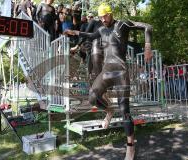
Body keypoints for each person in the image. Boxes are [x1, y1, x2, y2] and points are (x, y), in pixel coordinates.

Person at [64, 3, 153, 160]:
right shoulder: (101, 29)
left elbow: (147, 26)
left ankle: (130, 147)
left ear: (111, 14)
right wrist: (75, 32)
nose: (103, 20)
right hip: (106, 71)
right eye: (100, 17)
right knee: (92, 96)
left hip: (120, 71)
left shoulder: (123, 23)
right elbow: (91, 36)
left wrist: (147, 46)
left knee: (125, 110)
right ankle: (109, 111)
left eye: (105, 16)